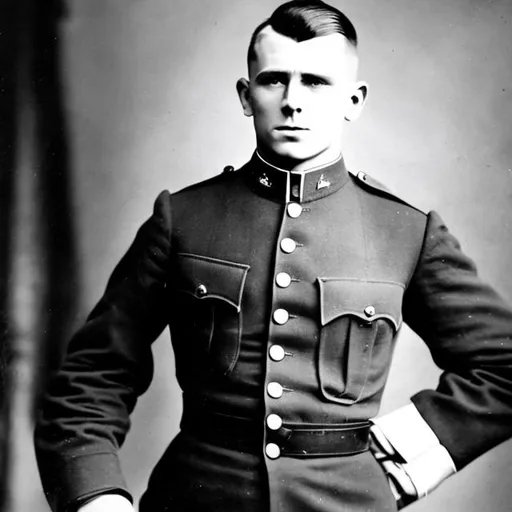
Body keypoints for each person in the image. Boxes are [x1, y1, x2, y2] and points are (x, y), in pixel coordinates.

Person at [34, 1, 512, 511]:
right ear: (246, 95)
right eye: (274, 80)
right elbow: (90, 381)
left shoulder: (406, 232)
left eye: (316, 82)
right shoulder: (183, 219)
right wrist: (98, 498)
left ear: (354, 100)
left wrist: (403, 458)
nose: (293, 102)